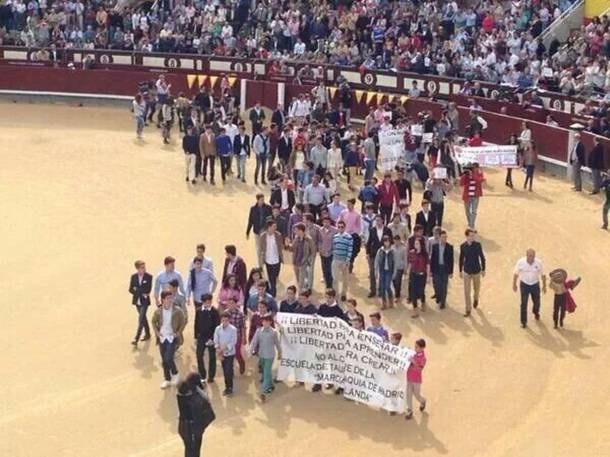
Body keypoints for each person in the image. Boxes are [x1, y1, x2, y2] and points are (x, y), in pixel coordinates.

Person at [152, 291, 186, 389]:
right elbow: (153, 322)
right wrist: (157, 333)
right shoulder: (158, 311)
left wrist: (178, 332)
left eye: (171, 298)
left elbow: (183, 321)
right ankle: (167, 379)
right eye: (168, 298)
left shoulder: (177, 310)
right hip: (162, 337)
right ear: (163, 299)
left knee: (169, 358)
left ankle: (175, 373)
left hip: (172, 337)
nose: (170, 300)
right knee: (164, 360)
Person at [176, 372, 215, 457]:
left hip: (183, 426)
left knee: (188, 449)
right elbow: (206, 402)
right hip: (193, 428)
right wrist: (205, 389)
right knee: (195, 450)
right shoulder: (196, 397)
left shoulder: (181, 392)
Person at [250, 315, 281, 402]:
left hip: (270, 356)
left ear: (270, 322)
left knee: (266, 373)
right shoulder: (259, 331)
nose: (265, 323)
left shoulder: (274, 332)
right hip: (261, 355)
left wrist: (280, 353)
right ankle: (271, 385)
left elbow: (277, 343)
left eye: (267, 321)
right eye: (264, 321)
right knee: (265, 371)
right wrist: (250, 351)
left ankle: (263, 392)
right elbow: (254, 342)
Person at [512, 249, 547, 328]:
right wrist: (514, 284)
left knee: (537, 302)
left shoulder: (538, 263)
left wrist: (544, 286)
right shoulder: (521, 262)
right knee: (523, 303)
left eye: (533, 256)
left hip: (535, 284)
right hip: (524, 285)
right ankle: (523, 322)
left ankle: (536, 312)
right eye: (530, 256)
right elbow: (515, 273)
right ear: (527, 255)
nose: (532, 258)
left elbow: (543, 275)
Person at [459, 229, 486, 317]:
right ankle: (468, 309)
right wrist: (460, 270)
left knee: (476, 289)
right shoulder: (463, 246)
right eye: (470, 235)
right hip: (467, 271)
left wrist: (483, 269)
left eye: (473, 235)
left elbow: (482, 257)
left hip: (476, 271)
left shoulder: (478, 245)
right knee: (466, 291)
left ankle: (476, 299)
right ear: (466, 236)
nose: (472, 237)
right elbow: (461, 258)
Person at [194, 294, 220, 382]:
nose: (208, 303)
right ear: (203, 302)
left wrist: (212, 338)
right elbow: (196, 323)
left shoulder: (214, 311)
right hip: (201, 337)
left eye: (210, 301)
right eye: (206, 302)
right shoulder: (198, 311)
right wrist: (195, 336)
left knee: (212, 357)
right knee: (199, 355)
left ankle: (211, 376)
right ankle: (202, 375)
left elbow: (217, 326)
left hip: (211, 338)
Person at [366, 215, 392, 298]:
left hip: (385, 254)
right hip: (373, 254)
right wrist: (367, 253)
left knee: (383, 273)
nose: (377, 222)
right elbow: (369, 242)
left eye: (379, 220)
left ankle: (381, 290)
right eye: (376, 220)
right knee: (372, 272)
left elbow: (391, 242)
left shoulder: (387, 230)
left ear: (382, 221)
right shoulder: (372, 230)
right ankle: (372, 290)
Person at [129, 260, 152, 346]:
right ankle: (148, 334)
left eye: (144, 267)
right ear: (137, 269)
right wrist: (140, 292)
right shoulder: (133, 277)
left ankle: (136, 338)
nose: (144, 269)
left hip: (145, 301)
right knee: (143, 318)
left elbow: (148, 290)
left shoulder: (149, 277)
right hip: (137, 301)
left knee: (141, 319)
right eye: (142, 268)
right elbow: (130, 289)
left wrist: (137, 290)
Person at [214, 313, 238, 396]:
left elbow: (233, 341)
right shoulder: (218, 329)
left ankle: (230, 388)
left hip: (230, 353)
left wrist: (223, 349)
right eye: (223, 320)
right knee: (225, 371)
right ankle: (227, 387)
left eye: (226, 320)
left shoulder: (233, 329)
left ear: (229, 320)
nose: (225, 322)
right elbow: (216, 340)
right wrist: (218, 349)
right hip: (221, 354)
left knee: (228, 370)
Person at [246, 193, 272, 269]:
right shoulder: (253, 209)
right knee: (259, 249)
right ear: (257, 200)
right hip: (257, 231)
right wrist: (247, 232)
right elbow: (250, 220)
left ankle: (266, 262)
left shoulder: (268, 208)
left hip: (265, 231)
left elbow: (270, 219)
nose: (263, 201)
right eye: (261, 200)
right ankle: (260, 265)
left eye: (263, 199)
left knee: (266, 248)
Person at [258, 220, 283, 297]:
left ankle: (271, 289)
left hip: (277, 259)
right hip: (268, 260)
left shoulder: (278, 235)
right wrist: (261, 260)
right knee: (271, 278)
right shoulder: (263, 236)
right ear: (269, 227)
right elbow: (261, 248)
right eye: (274, 226)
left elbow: (281, 246)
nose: (275, 228)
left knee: (275, 276)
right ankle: (273, 293)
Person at [430, 230, 454, 309]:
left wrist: (451, 272)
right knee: (437, 285)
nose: (444, 239)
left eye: (445, 237)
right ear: (439, 237)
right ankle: (438, 295)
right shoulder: (435, 247)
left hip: (445, 269)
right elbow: (432, 259)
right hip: (436, 268)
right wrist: (431, 270)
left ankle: (443, 302)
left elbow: (451, 260)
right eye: (443, 237)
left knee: (444, 286)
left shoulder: (449, 247)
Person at [331, 220, 353, 301]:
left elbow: (350, 250)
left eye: (342, 227)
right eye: (339, 227)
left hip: (344, 261)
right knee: (335, 279)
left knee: (345, 279)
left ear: (345, 227)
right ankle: (335, 295)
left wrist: (347, 261)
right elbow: (333, 248)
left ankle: (343, 294)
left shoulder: (349, 237)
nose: (340, 228)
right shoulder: (335, 236)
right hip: (336, 259)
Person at [405, 338, 427, 420]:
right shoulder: (412, 354)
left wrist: (413, 362)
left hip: (416, 380)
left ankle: (423, 401)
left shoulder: (423, 358)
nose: (415, 348)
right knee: (408, 394)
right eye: (415, 347)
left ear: (422, 348)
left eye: (417, 347)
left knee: (416, 394)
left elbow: (420, 369)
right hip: (408, 377)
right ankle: (409, 410)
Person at [407, 238, 429, 317]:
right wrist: (408, 272)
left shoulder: (425, 254)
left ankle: (423, 302)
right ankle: (415, 309)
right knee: (413, 292)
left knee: (421, 291)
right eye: (415, 244)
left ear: (421, 244)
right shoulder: (411, 252)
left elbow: (427, 265)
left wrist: (428, 276)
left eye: (417, 243)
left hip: (422, 275)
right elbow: (410, 263)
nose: (415, 245)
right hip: (413, 274)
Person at [291, 222, 316, 292]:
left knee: (301, 279)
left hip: (303, 262)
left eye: (295, 230)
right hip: (296, 262)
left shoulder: (309, 239)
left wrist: (309, 260)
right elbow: (292, 248)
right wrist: (287, 246)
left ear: (300, 230)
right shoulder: (296, 238)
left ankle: (301, 293)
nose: (294, 231)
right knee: (298, 279)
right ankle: (303, 289)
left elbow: (313, 252)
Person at [225, 297, 247, 375]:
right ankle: (230, 372)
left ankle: (241, 363)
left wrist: (244, 337)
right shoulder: (225, 313)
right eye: (229, 303)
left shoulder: (240, 313)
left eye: (232, 303)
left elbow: (243, 326)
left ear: (235, 304)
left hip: (237, 336)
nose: (230, 305)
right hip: (227, 337)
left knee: (237, 353)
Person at [459, 164, 485, 229]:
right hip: (467, 196)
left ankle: (471, 225)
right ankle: (470, 223)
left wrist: (472, 175)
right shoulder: (465, 175)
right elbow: (461, 183)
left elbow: (479, 180)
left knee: (473, 211)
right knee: (467, 211)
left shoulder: (479, 173)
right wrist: (464, 175)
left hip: (475, 196)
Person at [375, 236, 396, 309]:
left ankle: (390, 300)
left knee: (387, 286)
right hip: (382, 271)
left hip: (389, 271)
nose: (387, 243)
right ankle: (384, 303)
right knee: (382, 287)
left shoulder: (393, 251)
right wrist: (376, 271)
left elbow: (395, 262)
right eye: (385, 241)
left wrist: (394, 273)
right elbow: (376, 261)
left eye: (388, 241)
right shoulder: (380, 250)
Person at [319, 216, 339, 290]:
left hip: (331, 253)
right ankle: (328, 284)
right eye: (324, 222)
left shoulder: (335, 230)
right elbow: (319, 240)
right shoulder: (320, 230)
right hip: (323, 252)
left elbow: (336, 241)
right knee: (324, 269)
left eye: (327, 222)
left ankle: (331, 285)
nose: (326, 223)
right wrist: (320, 249)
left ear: (330, 222)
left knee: (330, 269)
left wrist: (333, 250)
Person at [392, 235, 407, 303]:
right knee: (394, 281)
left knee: (398, 282)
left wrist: (405, 268)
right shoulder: (392, 248)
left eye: (397, 241)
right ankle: (397, 292)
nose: (396, 242)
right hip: (393, 268)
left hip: (400, 268)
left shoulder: (403, 249)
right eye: (395, 241)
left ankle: (397, 296)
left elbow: (405, 259)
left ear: (399, 241)